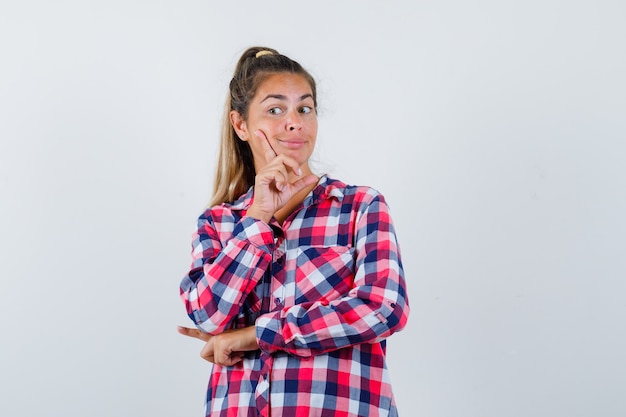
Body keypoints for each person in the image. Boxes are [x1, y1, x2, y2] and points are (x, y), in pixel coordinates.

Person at [177, 46, 410, 417]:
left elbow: (383, 308)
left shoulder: (359, 206)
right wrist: (257, 218)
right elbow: (207, 316)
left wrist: (254, 335)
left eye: (304, 108)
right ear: (241, 125)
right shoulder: (218, 223)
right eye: (275, 110)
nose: (294, 122)